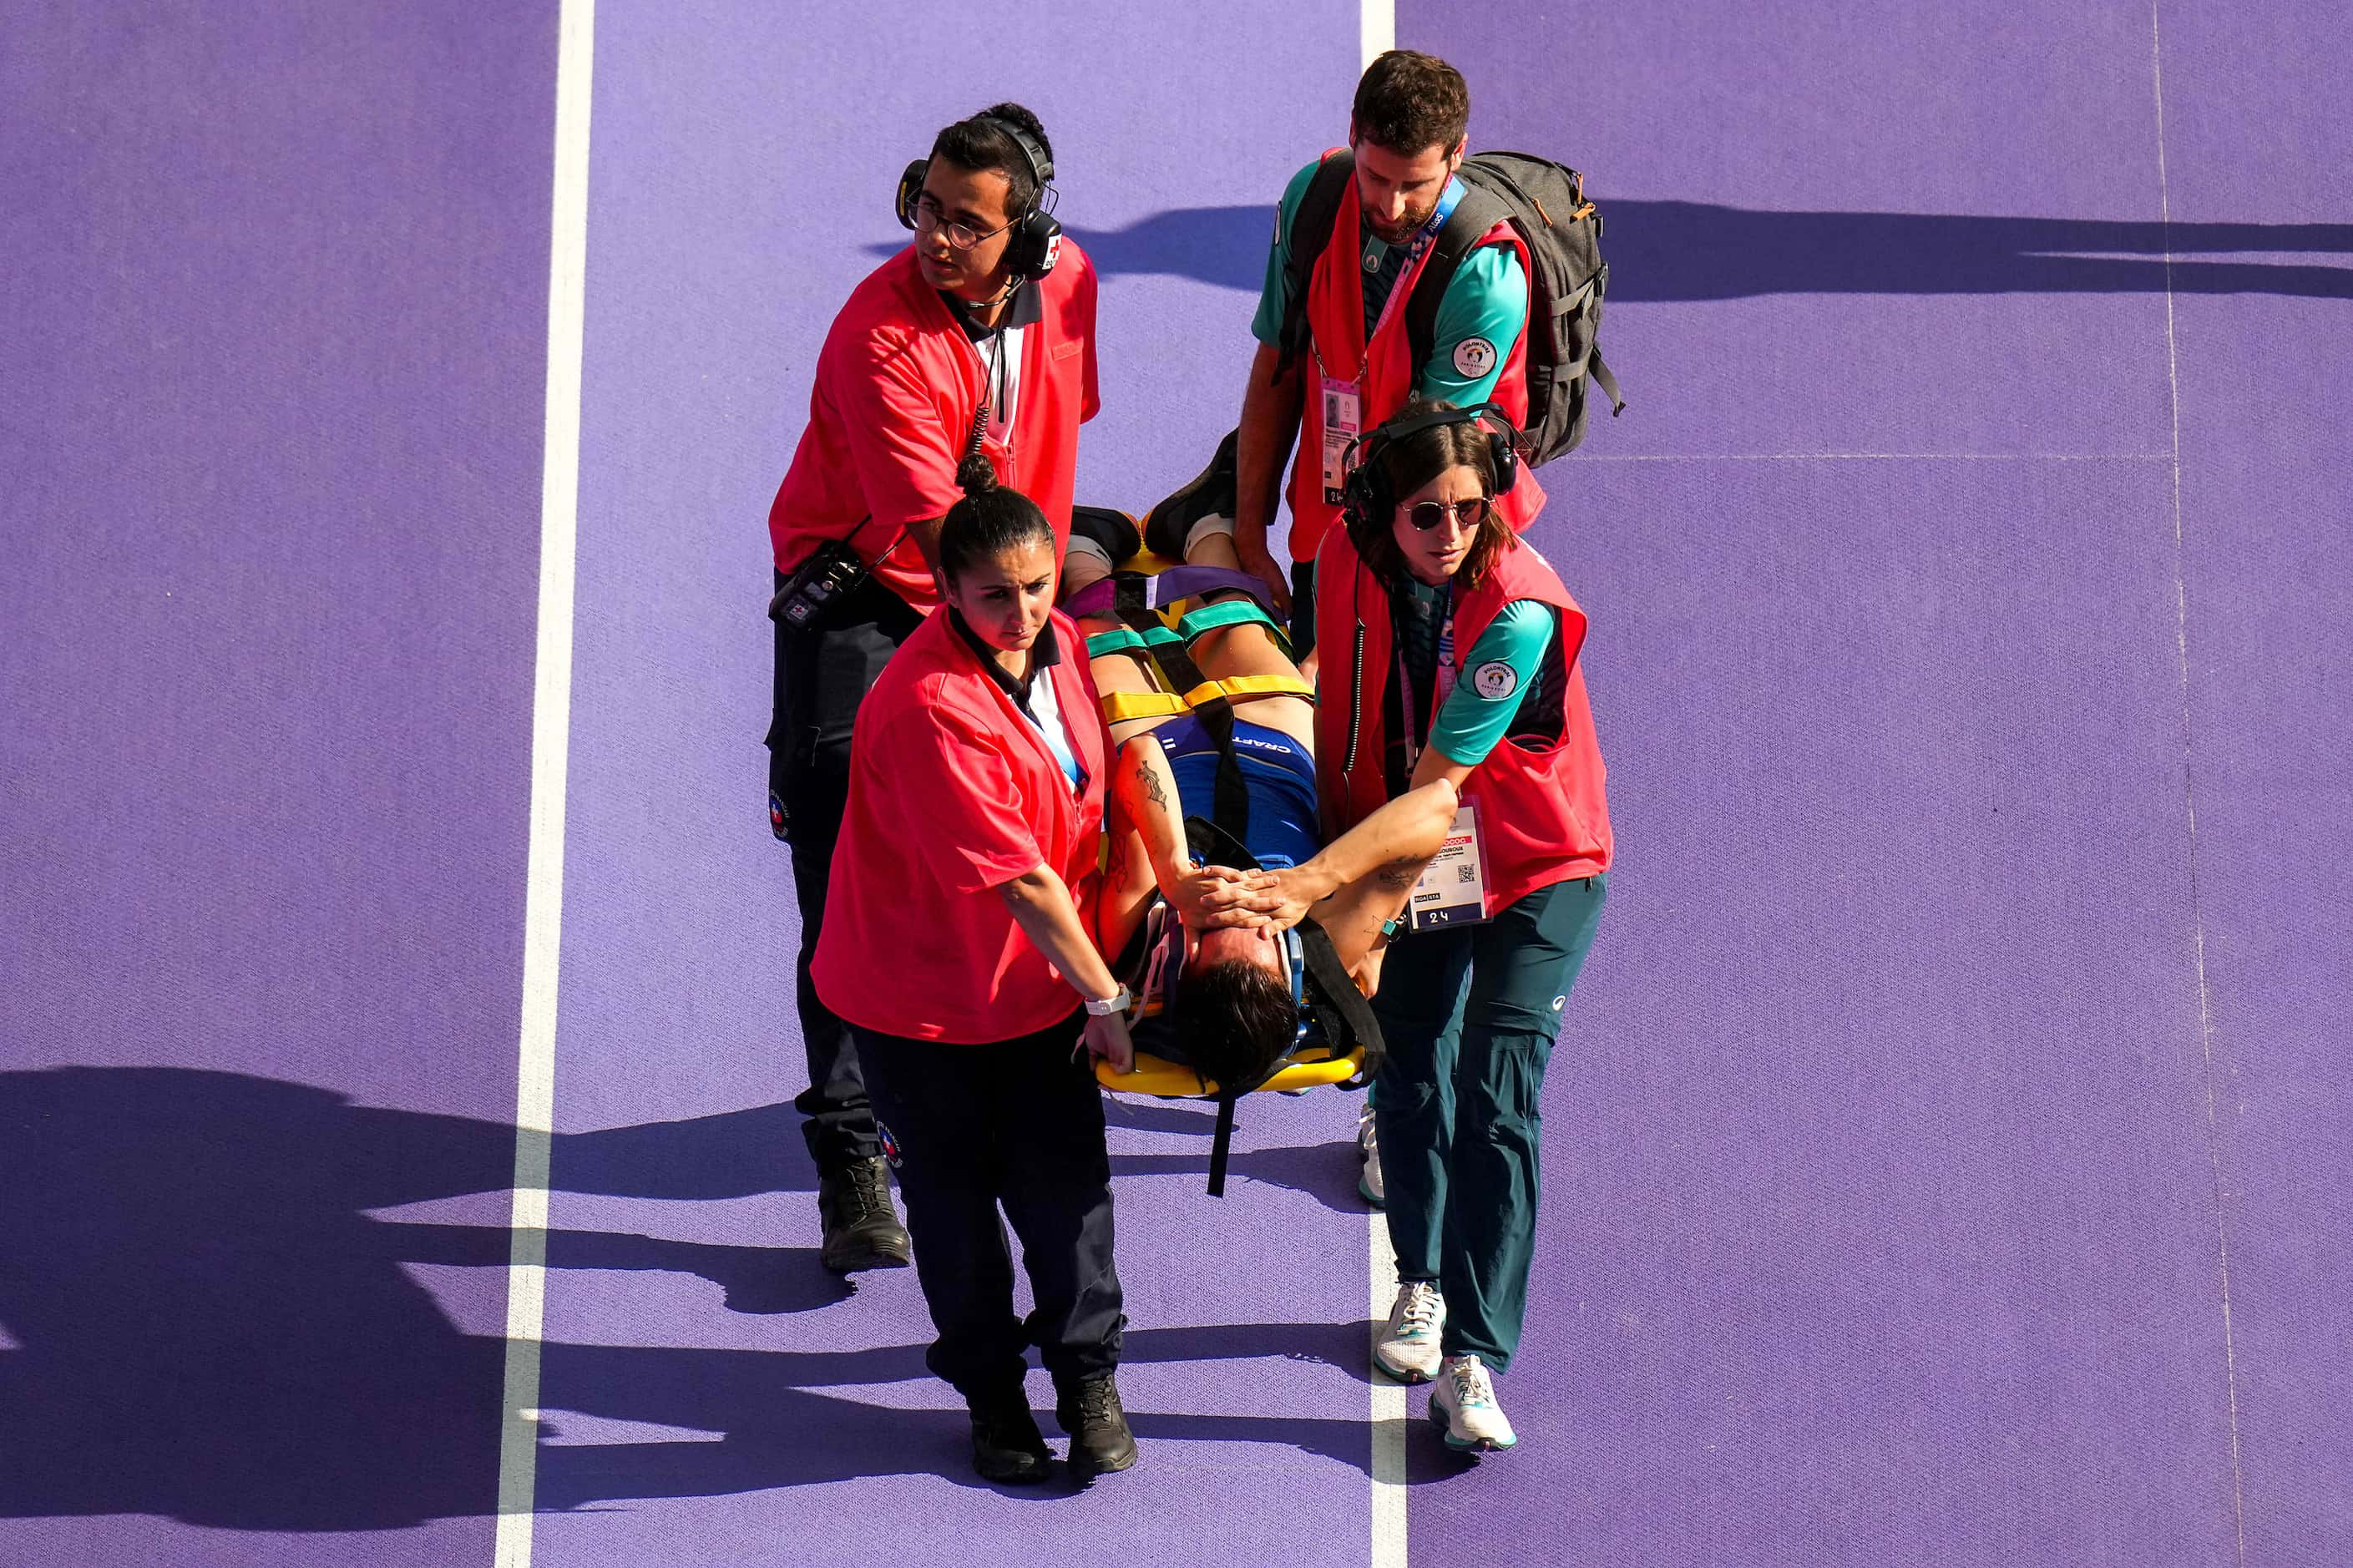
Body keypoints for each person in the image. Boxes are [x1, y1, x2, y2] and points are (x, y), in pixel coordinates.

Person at [765, 103, 1099, 1272]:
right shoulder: (879, 337)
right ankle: (850, 1142)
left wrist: (1064, 590)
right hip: (874, 592)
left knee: (1044, 830)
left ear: (1031, 235)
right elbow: (949, 538)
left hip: (1011, 588)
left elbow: (1055, 440)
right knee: (842, 851)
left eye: (967, 222)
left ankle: (990, 1060)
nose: (937, 238)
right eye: (927, 208)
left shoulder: (1071, 289)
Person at [810, 458, 1136, 1486]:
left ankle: (1087, 1384)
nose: (1023, 609)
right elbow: (1028, 886)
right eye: (995, 594)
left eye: (1037, 586)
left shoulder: (1060, 650)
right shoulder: (928, 707)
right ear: (945, 591)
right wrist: (1107, 996)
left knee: (1066, 1194)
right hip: (924, 1013)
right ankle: (995, 1402)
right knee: (955, 1212)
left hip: (1032, 994)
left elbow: (1104, 776)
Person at [1315, 400, 1612, 1454]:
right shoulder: (1353, 565)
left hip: (1540, 862)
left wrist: (1318, 886)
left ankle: (1475, 1359)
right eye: (1425, 516)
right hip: (1436, 855)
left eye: (1467, 511)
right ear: (1379, 518)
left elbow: (1441, 786)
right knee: (1407, 1061)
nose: (1451, 534)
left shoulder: (1518, 611)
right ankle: (1421, 1283)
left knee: (1495, 1089)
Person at [1060, 488, 1459, 1113]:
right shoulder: (1330, 941)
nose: (1240, 897)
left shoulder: (1137, 940)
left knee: (1105, 636)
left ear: (1185, 953)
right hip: (1273, 740)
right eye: (1263, 927)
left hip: (1155, 741)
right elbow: (1435, 807)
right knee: (1236, 622)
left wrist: (1176, 873)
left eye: (1219, 921)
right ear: (1289, 960)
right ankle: (1200, 524)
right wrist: (1308, 885)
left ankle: (1084, 545)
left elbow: (1140, 758)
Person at [1232, 49, 1545, 664]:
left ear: (1457, 156)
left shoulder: (1487, 277)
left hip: (1437, 549)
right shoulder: (1314, 200)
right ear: (1353, 136)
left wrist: (1348, 625)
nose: (1391, 206)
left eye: (1415, 184)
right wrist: (1249, 530)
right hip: (1329, 526)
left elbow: (1432, 463)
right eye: (1375, 178)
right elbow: (1279, 365)